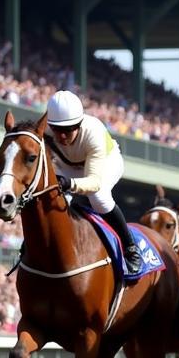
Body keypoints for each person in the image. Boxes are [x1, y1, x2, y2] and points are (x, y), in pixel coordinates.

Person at [45, 89, 142, 275]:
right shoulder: (46, 130)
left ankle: (130, 248)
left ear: (79, 124)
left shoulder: (93, 132)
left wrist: (69, 184)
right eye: (57, 130)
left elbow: (94, 182)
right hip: (68, 165)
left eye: (67, 130)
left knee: (98, 197)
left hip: (106, 161)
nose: (61, 137)